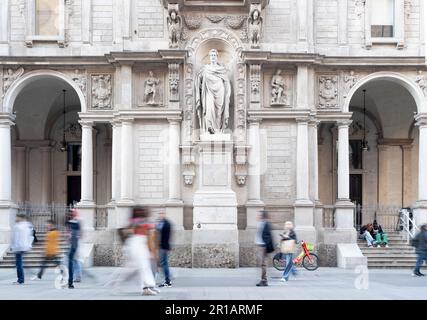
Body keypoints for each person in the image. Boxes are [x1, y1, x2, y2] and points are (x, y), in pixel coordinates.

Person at [10, 213, 33, 284]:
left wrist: (13, 247)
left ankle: (20, 280)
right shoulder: (28, 225)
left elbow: (15, 238)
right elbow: (30, 237)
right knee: (19, 263)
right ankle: (21, 278)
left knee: (19, 264)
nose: (16, 218)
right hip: (23, 246)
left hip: (19, 247)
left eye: (17, 217)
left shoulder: (18, 226)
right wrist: (29, 245)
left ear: (21, 218)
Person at [255, 211, 274, 287]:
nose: (258, 216)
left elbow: (268, 236)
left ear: (263, 216)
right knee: (262, 264)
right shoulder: (261, 223)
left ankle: (264, 280)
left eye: (259, 215)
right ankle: (263, 279)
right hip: (261, 245)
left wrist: (266, 246)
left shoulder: (266, 224)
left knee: (263, 264)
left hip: (263, 246)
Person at [156, 211, 172, 287]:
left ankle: (168, 281)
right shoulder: (166, 223)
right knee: (164, 263)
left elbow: (158, 228)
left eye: (161, 214)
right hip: (164, 246)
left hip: (163, 246)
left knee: (164, 264)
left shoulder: (165, 224)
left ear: (164, 215)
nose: (160, 216)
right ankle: (168, 279)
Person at [67, 209, 81, 289]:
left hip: (73, 245)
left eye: (71, 213)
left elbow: (74, 234)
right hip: (73, 245)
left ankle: (71, 281)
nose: (69, 214)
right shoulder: (74, 222)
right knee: (72, 262)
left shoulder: (73, 222)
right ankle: (70, 281)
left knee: (71, 262)